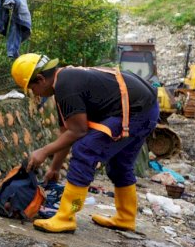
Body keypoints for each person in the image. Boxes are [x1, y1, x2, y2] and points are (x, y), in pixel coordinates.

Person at [10, 53, 159, 233]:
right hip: (145, 108)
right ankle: (125, 218)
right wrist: (54, 168)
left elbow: (78, 131)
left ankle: (66, 217)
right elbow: (66, 131)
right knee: (119, 165)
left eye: (32, 89)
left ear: (40, 79)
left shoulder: (66, 86)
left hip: (136, 110)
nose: (35, 95)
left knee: (85, 150)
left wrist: (43, 151)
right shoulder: (64, 80)